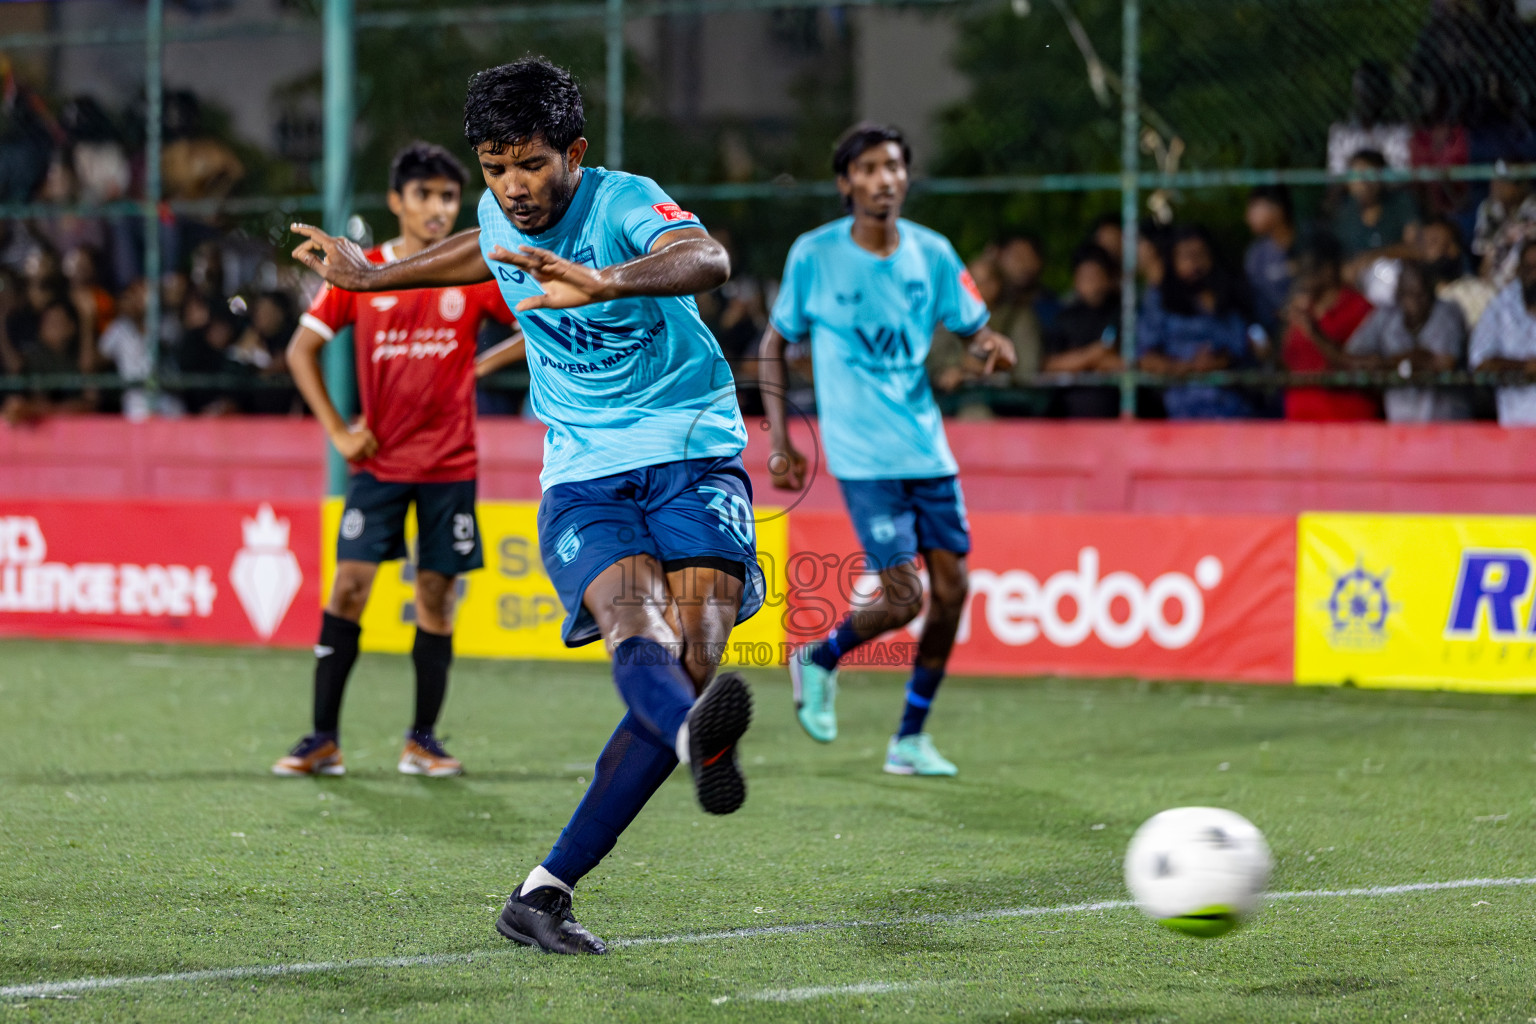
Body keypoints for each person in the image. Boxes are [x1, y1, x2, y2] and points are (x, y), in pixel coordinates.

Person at [291, 60, 762, 956]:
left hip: (693, 447)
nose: (515, 187)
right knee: (643, 637)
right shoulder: (498, 212)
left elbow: (707, 257)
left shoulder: (625, 201)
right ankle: (693, 735)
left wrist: (610, 280)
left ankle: (542, 893)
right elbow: (476, 246)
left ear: (574, 152)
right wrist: (368, 279)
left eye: (533, 165)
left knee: (695, 663)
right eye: (497, 168)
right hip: (585, 474)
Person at [758, 123, 1016, 777]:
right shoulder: (814, 255)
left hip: (928, 450)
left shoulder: (932, 253)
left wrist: (991, 347)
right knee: (904, 596)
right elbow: (774, 343)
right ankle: (819, 657)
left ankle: (909, 739)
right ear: (847, 182)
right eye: (869, 168)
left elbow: (975, 330)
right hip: (863, 455)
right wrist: (782, 438)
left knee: (953, 591)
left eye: (894, 166)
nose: (884, 179)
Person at [272, 142, 525, 782]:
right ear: (397, 201)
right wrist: (337, 431)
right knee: (348, 589)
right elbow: (300, 351)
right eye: (424, 195)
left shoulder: (469, 273)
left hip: (450, 466)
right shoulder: (365, 271)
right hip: (378, 468)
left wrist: (481, 364)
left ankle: (422, 742)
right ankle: (321, 739)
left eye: (447, 197)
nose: (437, 209)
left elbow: (535, 315)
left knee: (436, 599)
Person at [1136, 225, 1255, 419]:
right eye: (1185, 256)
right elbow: (1146, 358)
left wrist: (1219, 361)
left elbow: (1242, 347)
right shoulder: (1159, 299)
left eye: (1200, 254)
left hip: (1236, 411)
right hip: (1183, 412)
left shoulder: (1229, 296)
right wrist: (1189, 367)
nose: (1194, 263)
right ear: (1172, 261)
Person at [1344, 260, 1471, 422]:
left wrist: (1385, 363)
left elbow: (1443, 363)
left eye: (1422, 294)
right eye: (1409, 294)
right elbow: (1351, 356)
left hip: (1447, 426)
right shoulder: (1386, 316)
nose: (1416, 302)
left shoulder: (1447, 312)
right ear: (1398, 295)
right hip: (1402, 428)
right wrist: (1407, 361)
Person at [1281, 234, 1378, 421]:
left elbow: (1362, 366)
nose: (1301, 279)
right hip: (1299, 425)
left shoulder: (1360, 309)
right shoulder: (1301, 308)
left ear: (1327, 270)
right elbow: (1285, 363)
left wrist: (1315, 333)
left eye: (1306, 270)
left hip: (1347, 425)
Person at [1042, 242, 1122, 418]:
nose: (1092, 283)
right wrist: (1094, 355)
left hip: (1115, 409)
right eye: (1085, 277)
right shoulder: (1064, 318)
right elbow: (1050, 365)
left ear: (1109, 278)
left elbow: (1127, 364)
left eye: (1096, 275)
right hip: (1069, 410)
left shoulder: (1123, 315)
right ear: (1075, 280)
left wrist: (1079, 362)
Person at [1334, 149, 1421, 305]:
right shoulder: (1344, 212)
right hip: (1355, 282)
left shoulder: (1400, 203)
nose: (1363, 183)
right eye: (1356, 176)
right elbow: (1338, 257)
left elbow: (1416, 249)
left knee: (1384, 271)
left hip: (1394, 280)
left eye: (1369, 175)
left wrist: (1375, 256)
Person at [1469, 240, 1536, 426]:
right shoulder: (1501, 306)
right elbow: (1479, 363)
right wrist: (1525, 366)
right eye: (1529, 268)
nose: (1535, 274)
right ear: (1519, 271)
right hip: (1514, 427)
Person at [1419, 216, 1496, 328]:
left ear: (1453, 249)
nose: (1426, 249)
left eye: (1434, 241)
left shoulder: (1480, 293)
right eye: (1423, 243)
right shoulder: (1414, 298)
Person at [1244, 185, 1296, 347]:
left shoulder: (1309, 244)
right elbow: (1253, 304)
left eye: (1254, 208)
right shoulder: (1256, 256)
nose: (1247, 217)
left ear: (1277, 209)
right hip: (1274, 334)